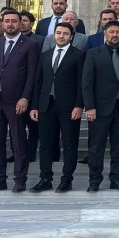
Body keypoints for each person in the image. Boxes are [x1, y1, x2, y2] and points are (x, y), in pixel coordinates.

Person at [0, 9, 40, 193]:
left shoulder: (30, 45)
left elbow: (32, 75)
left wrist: (25, 97)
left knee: (18, 141)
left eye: (14, 21)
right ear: (2, 23)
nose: (10, 24)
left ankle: (20, 179)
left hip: (16, 101)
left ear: (20, 23)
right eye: (7, 21)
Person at [28, 22, 85, 193]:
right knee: (45, 145)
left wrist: (79, 105)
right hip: (46, 105)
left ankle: (67, 179)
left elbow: (82, 83)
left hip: (69, 106)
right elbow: (38, 82)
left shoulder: (79, 55)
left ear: (71, 36)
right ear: (54, 35)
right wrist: (34, 106)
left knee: (69, 144)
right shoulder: (45, 55)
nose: (61, 36)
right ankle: (45, 178)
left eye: (65, 33)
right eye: (58, 33)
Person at [81, 21, 119, 191]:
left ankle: (116, 179)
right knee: (96, 147)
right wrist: (89, 106)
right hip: (99, 108)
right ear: (105, 34)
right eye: (111, 32)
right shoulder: (93, 53)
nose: (115, 35)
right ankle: (94, 180)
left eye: (118, 32)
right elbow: (87, 82)